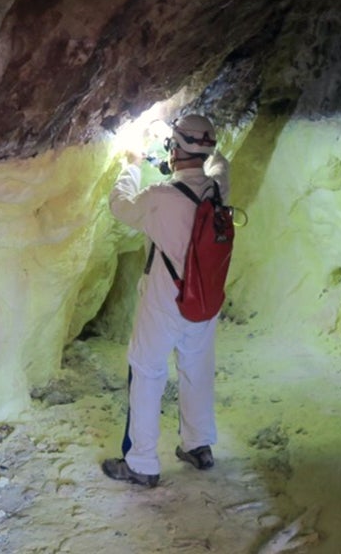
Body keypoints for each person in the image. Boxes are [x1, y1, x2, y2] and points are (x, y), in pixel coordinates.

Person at [101, 113, 230, 487]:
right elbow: (221, 163)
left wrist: (132, 165)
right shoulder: (219, 188)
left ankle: (141, 462)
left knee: (147, 371)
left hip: (165, 298)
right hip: (205, 297)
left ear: (174, 149)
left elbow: (119, 204)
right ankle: (198, 445)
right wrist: (208, 149)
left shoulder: (160, 197)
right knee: (197, 369)